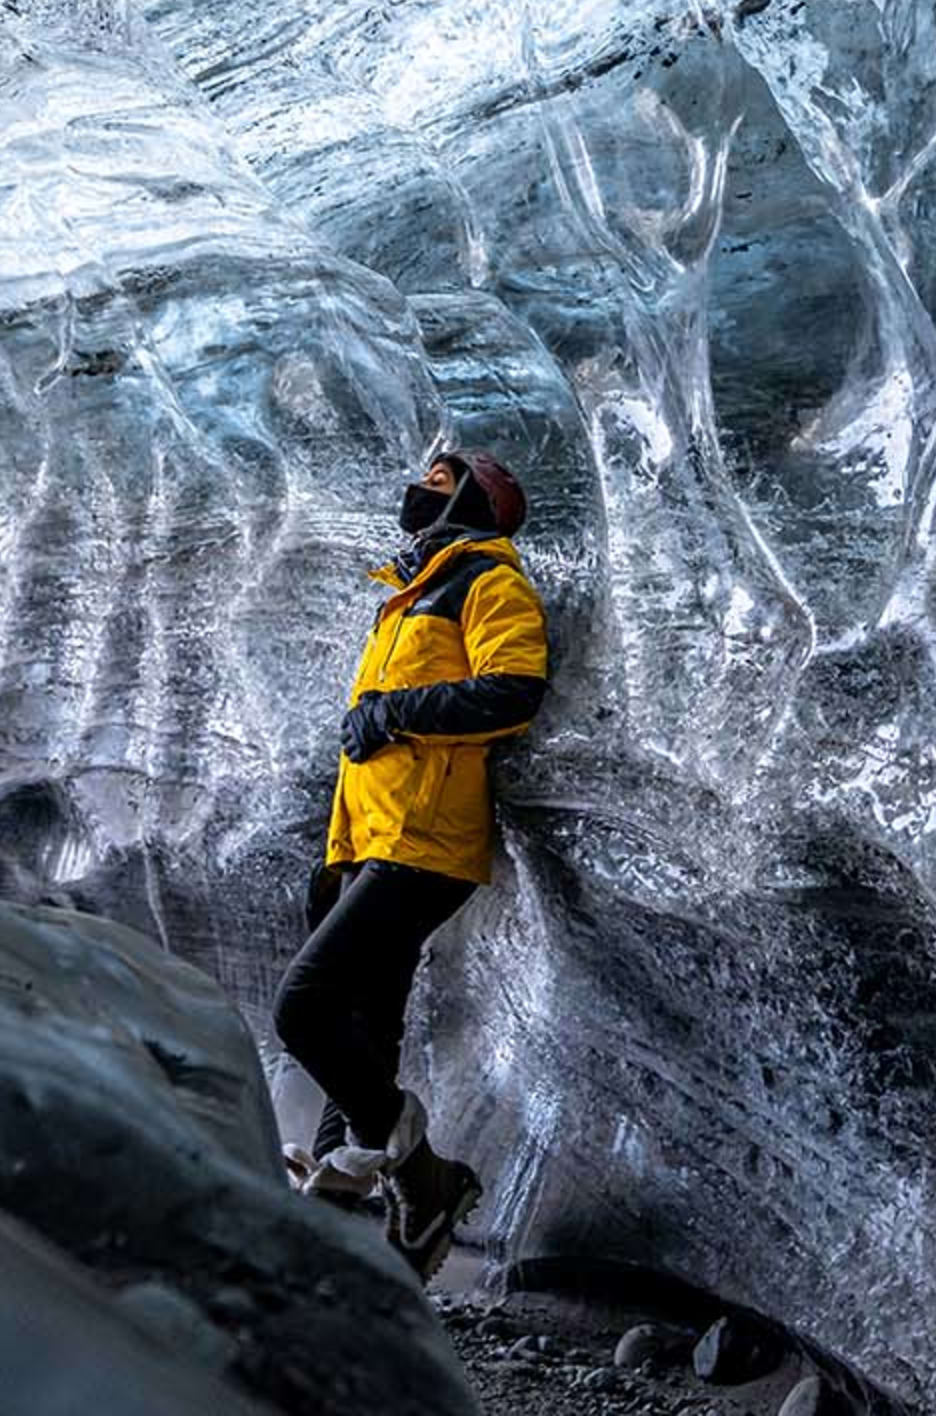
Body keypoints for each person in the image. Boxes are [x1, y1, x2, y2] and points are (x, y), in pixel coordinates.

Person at [271, 447, 548, 1278]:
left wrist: (393, 713)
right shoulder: (406, 599)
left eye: (438, 483)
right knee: (363, 1023)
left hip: (424, 843)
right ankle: (341, 1197)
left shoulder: (487, 580)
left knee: (304, 1009)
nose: (418, 490)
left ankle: (425, 1177)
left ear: (474, 501)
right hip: (369, 839)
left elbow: (514, 688)